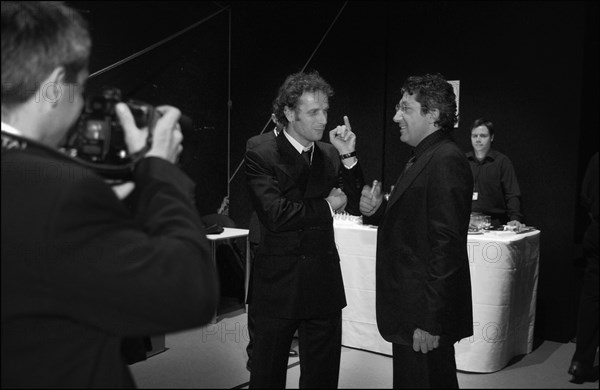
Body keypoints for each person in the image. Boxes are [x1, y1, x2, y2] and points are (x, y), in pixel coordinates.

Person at [1, 2, 218, 387]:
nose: (80, 104)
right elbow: (189, 292)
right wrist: (161, 173)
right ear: (54, 87)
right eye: (79, 89)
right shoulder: (62, 191)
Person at [244, 71, 364, 388]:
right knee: (267, 375)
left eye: (326, 110)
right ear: (289, 112)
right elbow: (276, 214)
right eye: (314, 112)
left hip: (322, 283)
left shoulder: (328, 153)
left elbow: (353, 202)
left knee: (322, 377)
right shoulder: (260, 150)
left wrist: (349, 155)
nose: (324, 119)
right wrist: (327, 205)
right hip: (277, 284)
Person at [360, 73, 473, 388]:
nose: (396, 116)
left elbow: (446, 247)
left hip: (422, 315)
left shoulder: (445, 160)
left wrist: (430, 321)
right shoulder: (424, 156)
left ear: (433, 114)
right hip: (412, 307)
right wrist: (378, 211)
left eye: (405, 108)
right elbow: (414, 227)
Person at [244, 120, 298, 373]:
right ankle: (256, 353)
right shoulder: (258, 144)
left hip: (293, 231)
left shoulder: (308, 147)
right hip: (264, 230)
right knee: (260, 300)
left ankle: (283, 342)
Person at [568, 152, 599, 384]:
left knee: (591, 299)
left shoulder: (597, 158)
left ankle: (580, 361)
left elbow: (585, 196)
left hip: (596, 233)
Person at [467, 118, 524, 229]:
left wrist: (515, 218)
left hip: (494, 223)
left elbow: (512, 193)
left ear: (491, 137)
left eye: (483, 136)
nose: (478, 139)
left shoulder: (502, 162)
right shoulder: (463, 161)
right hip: (466, 224)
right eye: (474, 136)